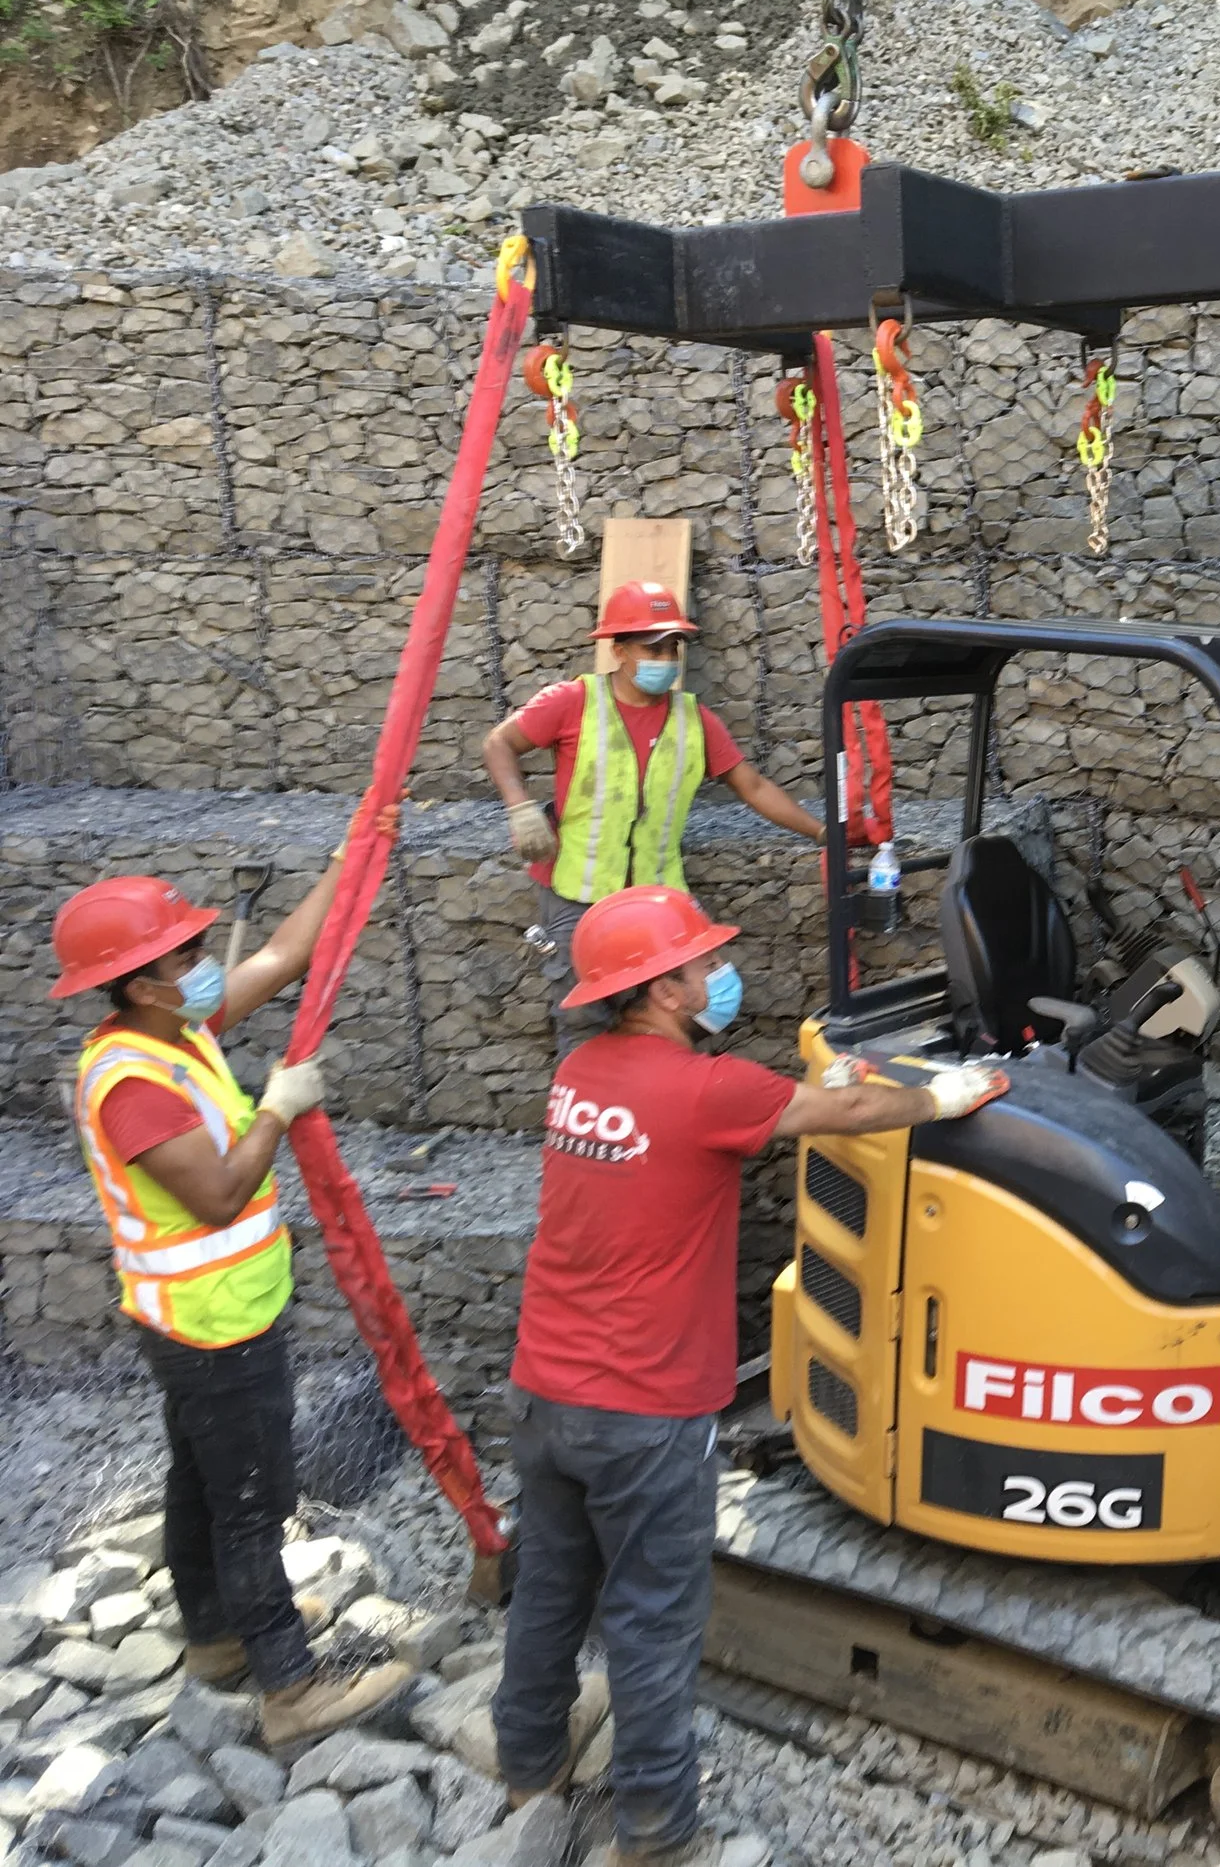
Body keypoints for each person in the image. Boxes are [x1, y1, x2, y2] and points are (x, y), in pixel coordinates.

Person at [491, 885, 1012, 1867]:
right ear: (665, 989)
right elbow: (846, 1109)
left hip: (545, 1392)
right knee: (651, 1616)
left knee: (553, 1587)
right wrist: (942, 1096)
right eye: (701, 965)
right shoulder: (709, 1089)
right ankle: (655, 1832)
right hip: (644, 1410)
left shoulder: (580, 1074)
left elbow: (723, 1105)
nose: (718, 975)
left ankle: (528, 1771)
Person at [50, 817, 417, 1748]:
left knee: (201, 1480)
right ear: (138, 983)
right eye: (186, 953)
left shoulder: (178, 1030)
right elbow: (216, 1195)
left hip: (199, 1315)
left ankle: (214, 1637)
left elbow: (290, 953)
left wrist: (352, 857)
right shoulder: (133, 1081)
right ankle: (289, 1688)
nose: (208, 958)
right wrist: (279, 1111)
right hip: (212, 1326)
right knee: (254, 1498)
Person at [481, 581, 830, 1053]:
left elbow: (753, 786)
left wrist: (824, 832)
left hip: (660, 903)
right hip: (578, 896)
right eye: (653, 648)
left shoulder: (694, 720)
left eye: (674, 647)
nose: (666, 659)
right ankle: (589, 1122)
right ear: (619, 650)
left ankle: (661, 1112)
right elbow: (499, 743)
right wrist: (520, 808)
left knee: (684, 1013)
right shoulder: (572, 702)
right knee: (584, 1020)